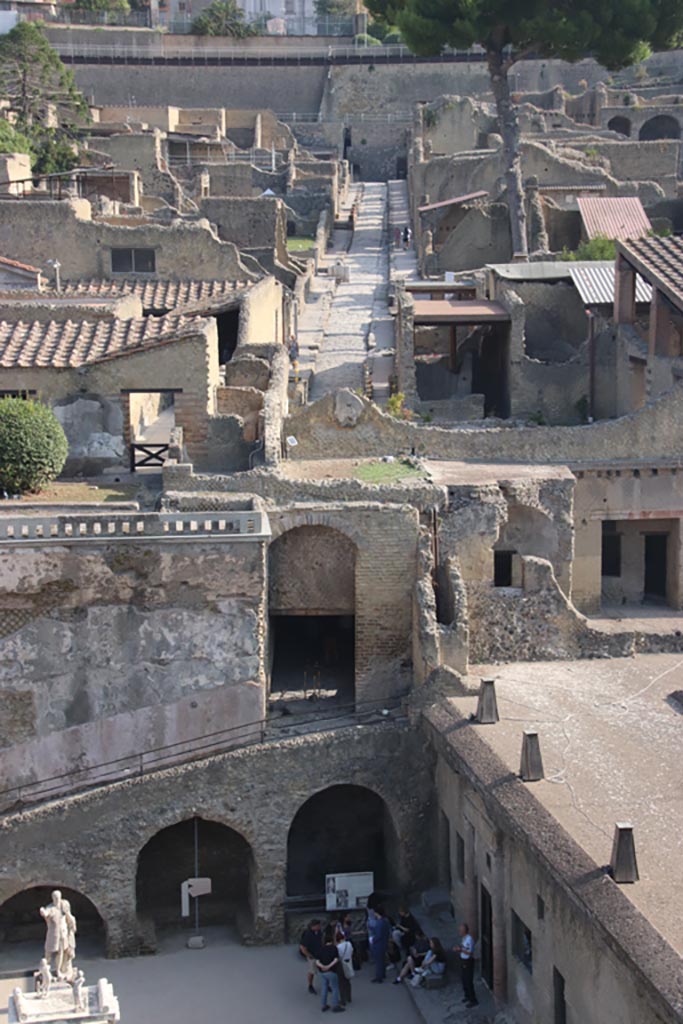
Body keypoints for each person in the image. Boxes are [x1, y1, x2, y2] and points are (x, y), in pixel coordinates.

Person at [316, 925, 345, 1013]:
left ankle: (324, 1005)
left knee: (324, 987)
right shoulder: (334, 948)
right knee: (335, 988)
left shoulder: (321, 949)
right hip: (332, 971)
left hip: (322, 972)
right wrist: (329, 966)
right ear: (332, 941)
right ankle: (335, 1006)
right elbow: (336, 959)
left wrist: (323, 967)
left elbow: (317, 961)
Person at [454, 923, 478, 1008]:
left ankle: (473, 999)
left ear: (464, 931)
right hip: (463, 960)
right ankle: (467, 995)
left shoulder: (469, 939)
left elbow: (469, 952)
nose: (459, 932)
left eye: (460, 930)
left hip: (468, 961)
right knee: (463, 979)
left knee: (468, 980)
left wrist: (460, 949)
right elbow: (463, 948)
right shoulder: (464, 939)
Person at [300, 919, 323, 995]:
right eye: (318, 925)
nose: (320, 927)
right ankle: (310, 985)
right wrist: (309, 955)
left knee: (323, 969)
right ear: (313, 926)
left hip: (320, 953)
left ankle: (326, 984)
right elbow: (303, 947)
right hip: (312, 955)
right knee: (312, 971)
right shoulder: (308, 934)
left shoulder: (319, 932)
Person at [370, 905, 390, 983]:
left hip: (378, 944)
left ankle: (379, 977)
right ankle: (383, 974)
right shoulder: (385, 921)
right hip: (384, 943)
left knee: (378, 961)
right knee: (382, 959)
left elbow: (378, 935)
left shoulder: (379, 923)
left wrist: (373, 940)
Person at [336, 924, 354, 1006]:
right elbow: (352, 952)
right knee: (347, 981)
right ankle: (349, 997)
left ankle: (343, 1000)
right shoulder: (349, 944)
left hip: (341, 964)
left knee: (341, 983)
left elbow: (338, 956)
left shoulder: (338, 947)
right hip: (349, 962)